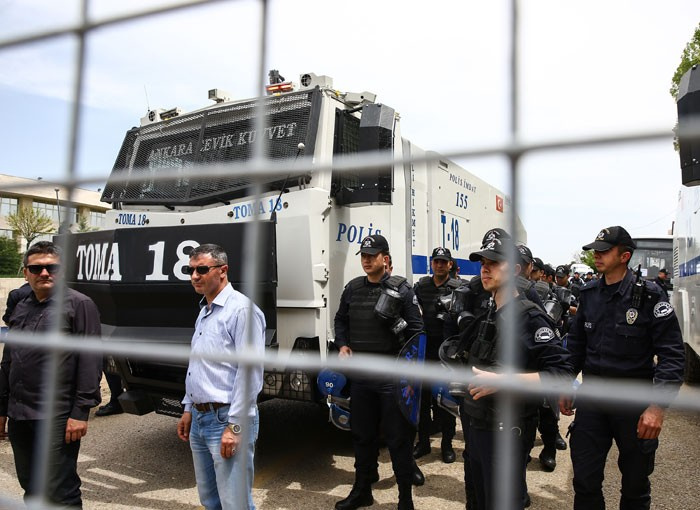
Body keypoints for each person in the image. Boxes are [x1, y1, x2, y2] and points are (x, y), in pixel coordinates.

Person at [444, 232, 573, 510]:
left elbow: (561, 372)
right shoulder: (490, 312)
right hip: (477, 428)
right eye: (482, 262)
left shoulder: (529, 317)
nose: (485, 268)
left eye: (494, 262)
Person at [561, 226, 685, 510]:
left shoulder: (651, 297)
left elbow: (672, 357)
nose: (597, 256)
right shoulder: (589, 293)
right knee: (585, 481)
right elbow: (576, 346)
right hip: (593, 400)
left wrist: (657, 408)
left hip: (634, 402)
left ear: (624, 256)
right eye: (596, 250)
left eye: (604, 251)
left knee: (635, 485)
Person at [0, 241, 102, 507]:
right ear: (25, 273)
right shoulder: (21, 305)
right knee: (31, 485)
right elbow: (9, 359)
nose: (44, 273)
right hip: (19, 413)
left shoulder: (80, 305)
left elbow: (90, 360)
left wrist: (81, 412)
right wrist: (2, 408)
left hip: (56, 414)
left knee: (60, 488)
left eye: (51, 267)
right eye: (36, 268)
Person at [334, 234, 423, 510]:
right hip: (362, 376)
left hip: (391, 378)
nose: (366, 259)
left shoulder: (404, 290)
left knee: (398, 440)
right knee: (362, 436)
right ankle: (362, 491)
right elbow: (340, 320)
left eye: (372, 254)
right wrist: (343, 344)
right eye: (363, 254)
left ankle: (405, 499)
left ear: (385, 258)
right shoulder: (352, 289)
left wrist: (395, 321)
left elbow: (418, 333)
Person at [176, 244, 266, 510]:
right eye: (190, 270)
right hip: (201, 420)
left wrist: (235, 427)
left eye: (201, 269)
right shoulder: (204, 311)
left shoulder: (241, 312)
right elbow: (198, 364)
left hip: (226, 420)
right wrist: (188, 408)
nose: (194, 276)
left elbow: (250, 374)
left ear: (223, 271)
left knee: (234, 503)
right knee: (210, 500)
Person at [413, 247, 460, 464]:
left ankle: (447, 445)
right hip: (424, 352)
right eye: (436, 261)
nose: (439, 265)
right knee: (421, 401)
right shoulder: (421, 286)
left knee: (445, 401)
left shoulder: (458, 288)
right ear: (431, 263)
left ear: (450, 264)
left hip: (447, 353)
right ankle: (423, 443)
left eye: (443, 261)